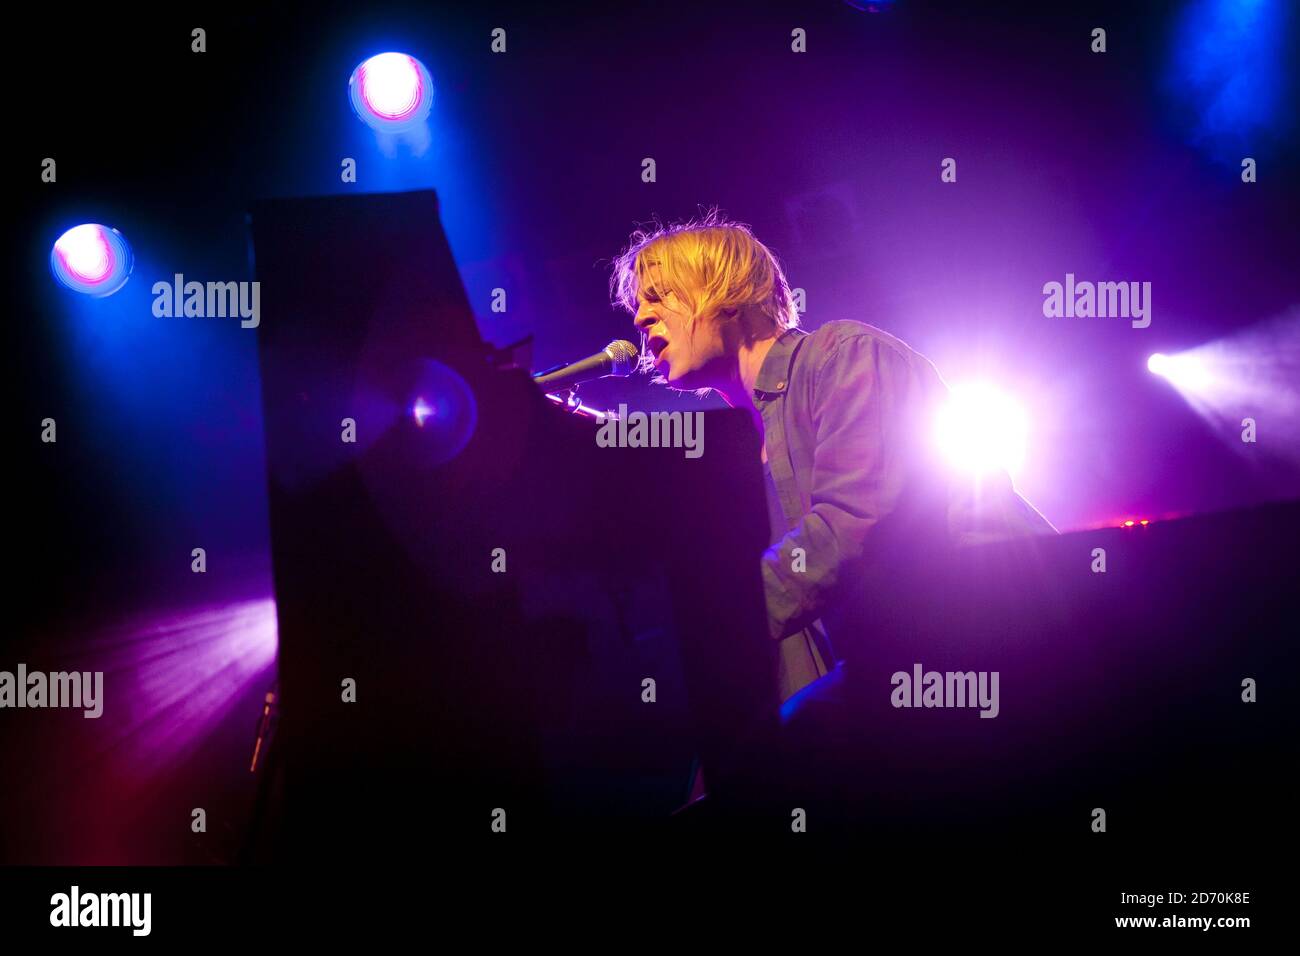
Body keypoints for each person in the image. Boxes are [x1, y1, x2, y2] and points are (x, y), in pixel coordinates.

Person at [610, 211, 1056, 710]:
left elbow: (850, 526)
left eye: (659, 295)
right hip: (905, 678)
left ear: (726, 291)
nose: (640, 316)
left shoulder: (843, 354)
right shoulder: (738, 451)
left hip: (1009, 647)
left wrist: (710, 619)